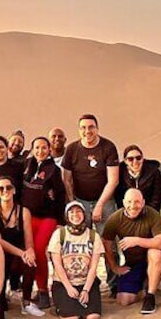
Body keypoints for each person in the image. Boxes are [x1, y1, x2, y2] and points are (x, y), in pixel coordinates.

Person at [61, 114, 120, 287]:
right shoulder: (72, 149)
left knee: (108, 242)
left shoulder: (108, 147)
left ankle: (113, 283)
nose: (87, 131)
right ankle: (86, 283)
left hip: (105, 201)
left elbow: (113, 180)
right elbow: (67, 179)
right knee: (81, 244)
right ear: (79, 130)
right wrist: (74, 204)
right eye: (83, 128)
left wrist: (100, 205)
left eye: (91, 127)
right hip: (81, 201)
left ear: (97, 128)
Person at [0, 176, 44, 317]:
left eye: (9, 187)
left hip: (17, 254)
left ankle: (27, 302)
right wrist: (22, 253)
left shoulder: (23, 211)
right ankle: (5, 293)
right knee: (2, 306)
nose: (5, 191)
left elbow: (28, 240)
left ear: (14, 190)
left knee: (31, 262)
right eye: (1, 188)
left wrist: (29, 252)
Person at [101, 189, 161, 314]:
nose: (133, 206)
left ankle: (150, 296)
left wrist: (137, 241)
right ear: (124, 202)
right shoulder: (115, 219)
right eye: (129, 202)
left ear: (143, 203)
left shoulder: (152, 214)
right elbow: (106, 245)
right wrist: (114, 267)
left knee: (155, 253)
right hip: (133, 263)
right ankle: (145, 287)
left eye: (137, 202)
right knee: (123, 301)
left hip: (151, 260)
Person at [21, 136, 66, 309]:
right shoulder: (26, 165)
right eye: (37, 147)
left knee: (39, 250)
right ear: (32, 149)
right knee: (29, 251)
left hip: (48, 216)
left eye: (44, 148)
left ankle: (43, 292)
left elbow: (60, 194)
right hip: (28, 215)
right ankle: (29, 289)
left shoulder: (54, 169)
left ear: (49, 149)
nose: (40, 151)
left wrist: (61, 221)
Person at [48, 201, 104, 319]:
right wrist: (68, 287)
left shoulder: (93, 236)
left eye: (78, 211)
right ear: (66, 216)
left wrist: (86, 290)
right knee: (71, 318)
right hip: (64, 283)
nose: (75, 214)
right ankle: (60, 306)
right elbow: (57, 265)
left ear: (84, 214)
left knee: (92, 317)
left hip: (86, 282)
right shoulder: (59, 234)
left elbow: (93, 267)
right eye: (71, 212)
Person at [115, 145, 161, 211]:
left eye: (138, 158)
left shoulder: (154, 172)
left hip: (150, 211)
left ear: (142, 159)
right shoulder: (120, 173)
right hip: (128, 211)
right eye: (130, 159)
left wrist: (148, 212)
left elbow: (157, 197)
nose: (135, 161)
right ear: (125, 161)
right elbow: (119, 197)